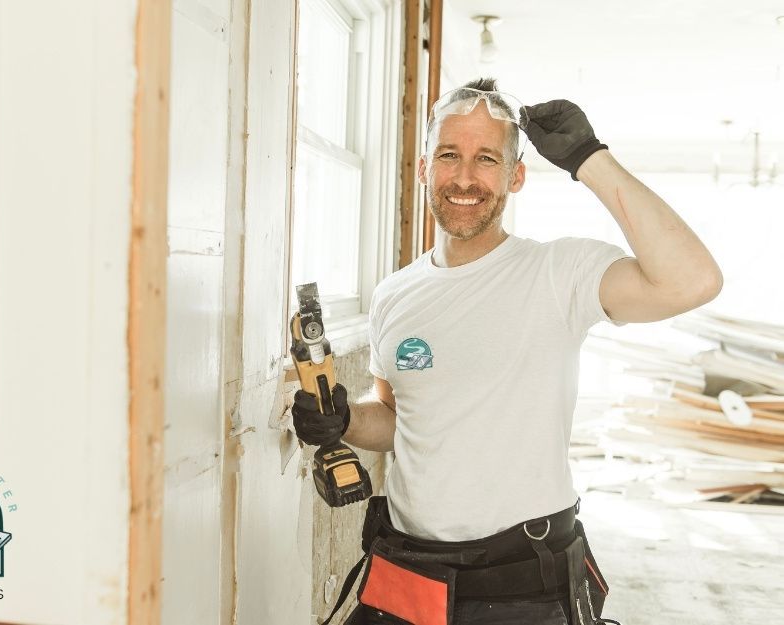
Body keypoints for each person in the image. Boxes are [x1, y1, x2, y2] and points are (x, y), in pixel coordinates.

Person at [291, 77, 722, 625]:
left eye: (487, 159)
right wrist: (345, 418)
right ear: (424, 169)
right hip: (407, 573)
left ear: (516, 175)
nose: (465, 178)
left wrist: (589, 159)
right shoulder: (394, 294)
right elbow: (402, 421)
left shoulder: (559, 273)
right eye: (449, 155)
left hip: (523, 582)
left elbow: (693, 281)